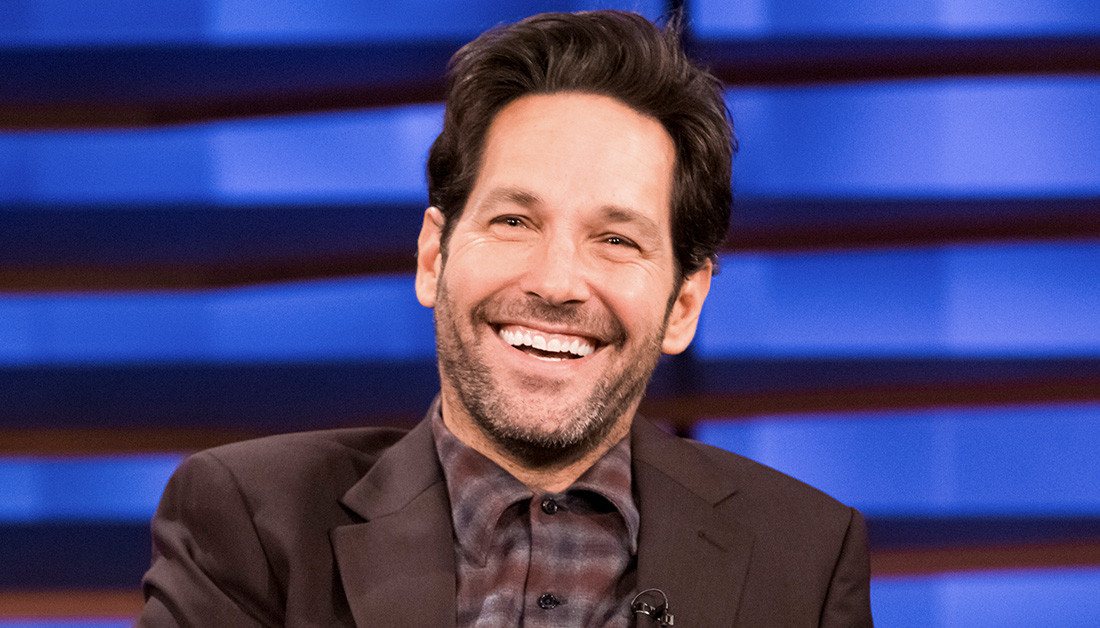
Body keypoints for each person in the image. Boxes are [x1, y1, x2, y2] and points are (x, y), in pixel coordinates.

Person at [137, 10, 873, 628]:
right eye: (515, 221)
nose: (556, 282)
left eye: (617, 240)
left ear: (684, 305)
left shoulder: (803, 557)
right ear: (434, 256)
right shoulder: (253, 523)